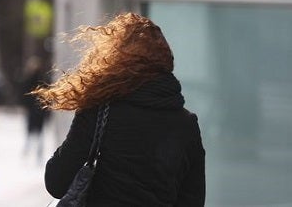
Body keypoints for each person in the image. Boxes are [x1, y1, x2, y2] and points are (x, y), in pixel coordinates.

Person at [32, 12, 206, 206]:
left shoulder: (98, 111)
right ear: (166, 64)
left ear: (115, 61)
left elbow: (56, 183)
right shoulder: (186, 125)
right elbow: (193, 199)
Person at [20, 56, 51, 161]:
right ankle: (33, 151)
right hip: (38, 110)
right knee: (37, 132)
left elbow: (24, 96)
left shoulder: (30, 80)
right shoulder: (43, 81)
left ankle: (32, 151)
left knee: (33, 131)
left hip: (36, 110)